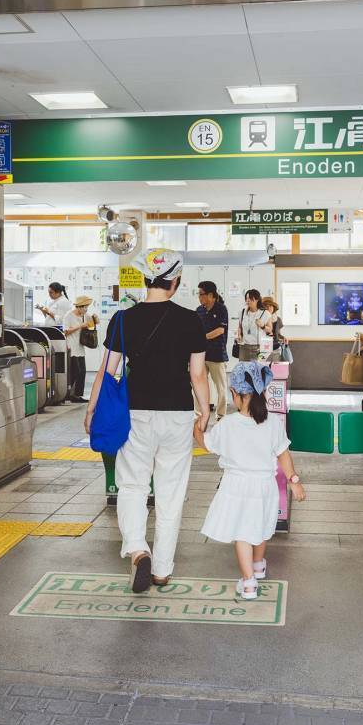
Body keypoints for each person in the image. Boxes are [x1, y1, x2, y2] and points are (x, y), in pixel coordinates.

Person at [85, 248, 210, 594]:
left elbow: (106, 372)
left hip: (135, 413)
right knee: (171, 492)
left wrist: (91, 409)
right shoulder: (191, 320)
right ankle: (163, 571)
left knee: (133, 486)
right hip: (178, 414)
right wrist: (207, 410)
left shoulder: (123, 320)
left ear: (144, 279)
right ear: (176, 280)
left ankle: (139, 550)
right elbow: (198, 375)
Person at [194, 362, 306, 600]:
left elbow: (206, 444)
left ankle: (248, 583)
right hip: (265, 486)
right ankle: (258, 566)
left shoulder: (228, 425)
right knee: (261, 528)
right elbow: (283, 454)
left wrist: (197, 429)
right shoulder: (272, 423)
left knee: (243, 533)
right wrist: (294, 480)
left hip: (237, 486)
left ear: (235, 394)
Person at [196, 281, 229, 422]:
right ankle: (199, 414)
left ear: (210, 295)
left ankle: (221, 415)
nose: (199, 297)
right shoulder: (199, 310)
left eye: (201, 294)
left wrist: (202, 337)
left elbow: (220, 330)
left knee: (220, 387)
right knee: (198, 385)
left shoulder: (221, 309)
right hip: (201, 354)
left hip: (217, 354)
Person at [63, 296, 99, 404]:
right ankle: (68, 394)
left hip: (80, 347)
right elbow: (65, 331)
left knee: (82, 372)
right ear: (79, 307)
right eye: (85, 308)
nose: (86, 310)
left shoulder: (85, 315)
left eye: (87, 308)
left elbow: (94, 324)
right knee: (75, 372)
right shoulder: (68, 316)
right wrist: (80, 326)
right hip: (71, 347)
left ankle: (78, 395)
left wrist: (95, 319)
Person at [236, 289, 272, 361]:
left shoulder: (265, 313)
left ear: (257, 299)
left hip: (259, 348)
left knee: (258, 369)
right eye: (246, 298)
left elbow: (270, 330)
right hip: (244, 347)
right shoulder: (242, 312)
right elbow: (240, 327)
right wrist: (239, 335)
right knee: (244, 370)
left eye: (250, 298)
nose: (247, 301)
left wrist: (263, 326)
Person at [262, 296, 288, 362]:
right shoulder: (261, 319)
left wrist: (283, 338)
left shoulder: (278, 319)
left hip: (276, 347)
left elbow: (278, 334)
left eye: (271, 306)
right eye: (266, 306)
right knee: (262, 367)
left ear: (274, 307)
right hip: (263, 348)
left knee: (275, 369)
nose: (269, 308)